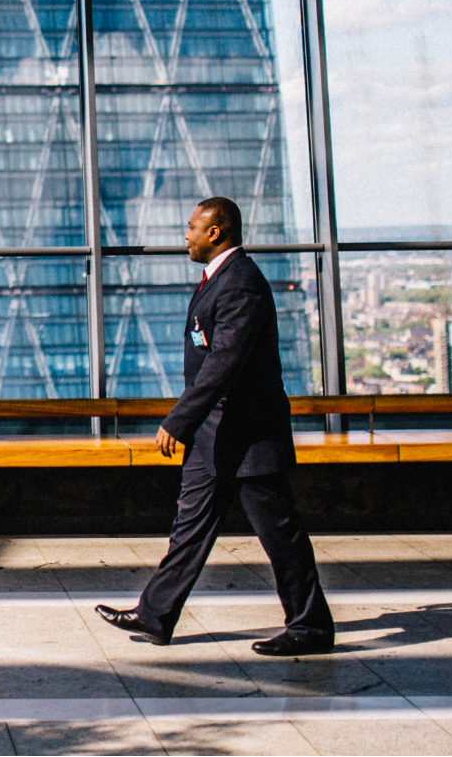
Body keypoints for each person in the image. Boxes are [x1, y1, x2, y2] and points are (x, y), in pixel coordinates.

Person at [97, 196, 336, 656]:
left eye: (191, 227)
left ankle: (311, 626)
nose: (184, 236)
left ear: (216, 232)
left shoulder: (240, 283)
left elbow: (223, 362)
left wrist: (179, 419)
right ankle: (155, 613)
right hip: (215, 434)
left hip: (247, 436)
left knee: (279, 533)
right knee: (189, 527)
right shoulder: (219, 280)